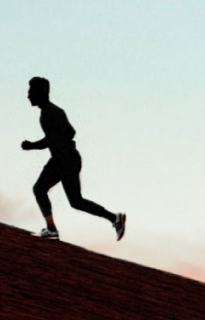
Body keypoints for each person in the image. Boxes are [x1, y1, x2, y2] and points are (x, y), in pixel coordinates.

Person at [21, 76, 126, 242]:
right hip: (70, 158)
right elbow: (69, 132)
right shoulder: (54, 111)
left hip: (64, 160)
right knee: (76, 201)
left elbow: (57, 137)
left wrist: (33, 146)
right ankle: (114, 218)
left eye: (31, 92)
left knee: (39, 189)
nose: (28, 96)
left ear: (42, 93)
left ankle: (51, 229)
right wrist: (57, 147)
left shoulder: (48, 113)